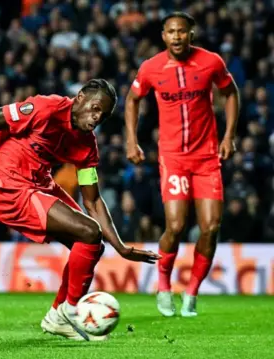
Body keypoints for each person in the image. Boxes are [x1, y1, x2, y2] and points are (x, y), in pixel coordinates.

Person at [0, 79, 160, 341]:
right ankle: (68, 311)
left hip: (38, 184)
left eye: (103, 114)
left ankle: (58, 316)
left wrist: (121, 247)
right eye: (94, 108)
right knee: (89, 231)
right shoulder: (44, 108)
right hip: (9, 186)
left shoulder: (87, 145)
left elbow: (93, 201)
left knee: (94, 243)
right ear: (79, 98)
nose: (97, 117)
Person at [125, 12, 240, 317]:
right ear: (164, 36)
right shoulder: (151, 67)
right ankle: (163, 286)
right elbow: (132, 99)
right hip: (173, 157)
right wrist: (130, 140)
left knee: (211, 227)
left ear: (192, 34)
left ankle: (191, 292)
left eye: (182, 31)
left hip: (206, 158)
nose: (176, 37)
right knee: (175, 225)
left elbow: (230, 93)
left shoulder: (211, 62)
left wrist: (228, 135)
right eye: (171, 32)